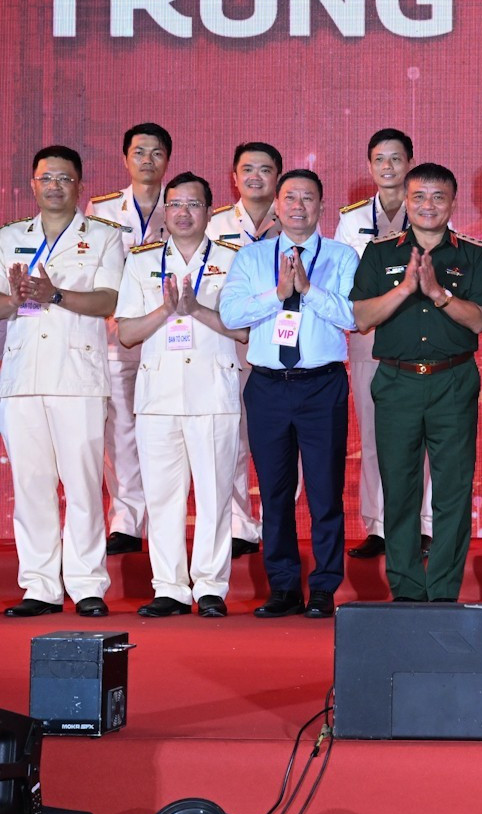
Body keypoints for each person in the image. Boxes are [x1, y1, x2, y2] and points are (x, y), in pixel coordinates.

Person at [351, 164, 482, 603]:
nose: (427, 205)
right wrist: (405, 288)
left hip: (453, 379)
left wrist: (437, 293)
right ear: (405, 201)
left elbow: (480, 321)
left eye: (438, 197)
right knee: (399, 488)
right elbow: (361, 320)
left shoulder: (474, 254)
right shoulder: (379, 253)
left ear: (452, 203)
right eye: (419, 196)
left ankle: (444, 590)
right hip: (396, 381)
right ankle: (408, 589)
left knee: (452, 490)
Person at [218, 169, 358, 618]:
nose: (298, 206)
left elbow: (353, 315)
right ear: (276, 205)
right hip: (267, 387)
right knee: (275, 492)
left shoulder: (342, 256)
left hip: (322, 385)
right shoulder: (252, 258)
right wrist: (279, 294)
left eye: (308, 198)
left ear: (321, 206)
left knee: (325, 491)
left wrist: (309, 291)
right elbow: (231, 311)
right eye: (290, 198)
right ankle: (282, 587)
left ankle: (323, 587)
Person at [0, 146, 127, 617]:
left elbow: (109, 301)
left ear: (80, 184)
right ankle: (39, 587)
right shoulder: (10, 236)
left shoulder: (104, 237)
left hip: (79, 377)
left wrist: (53, 293)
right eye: (46, 177)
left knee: (83, 483)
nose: (54, 185)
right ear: (33, 184)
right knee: (31, 485)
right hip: (22, 377)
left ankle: (87, 584)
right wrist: (16, 299)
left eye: (64, 178)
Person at [115, 172, 248, 617]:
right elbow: (128, 334)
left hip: (214, 390)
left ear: (210, 211)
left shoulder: (235, 259)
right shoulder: (140, 261)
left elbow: (246, 330)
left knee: (215, 495)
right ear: (165, 212)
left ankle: (211, 586)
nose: (183, 213)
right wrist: (166, 310)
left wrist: (196, 311)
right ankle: (169, 588)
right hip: (159, 396)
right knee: (162, 497)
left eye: (193, 204)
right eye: (174, 205)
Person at [335, 128, 433, 560]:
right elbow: (341, 278)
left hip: (421, 334)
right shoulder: (350, 218)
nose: (388, 167)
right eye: (379, 159)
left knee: (424, 433)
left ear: (410, 162)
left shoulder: (429, 209)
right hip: (370, 335)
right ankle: (378, 525)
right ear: (370, 165)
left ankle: (425, 524)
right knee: (374, 432)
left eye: (396, 158)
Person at [92, 122, 170, 556]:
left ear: (166, 160)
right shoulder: (102, 210)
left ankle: (161, 518)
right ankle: (126, 521)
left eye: (156, 153)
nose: (147, 160)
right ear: (125, 158)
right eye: (139, 152)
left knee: (162, 431)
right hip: (116, 333)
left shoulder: (181, 205)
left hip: (167, 337)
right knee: (120, 430)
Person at [209, 141, 284, 556]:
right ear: (234, 177)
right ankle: (239, 526)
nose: (256, 177)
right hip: (226, 348)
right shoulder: (214, 225)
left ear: (278, 177)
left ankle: (278, 522)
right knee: (231, 441)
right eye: (247, 169)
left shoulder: (295, 221)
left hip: (281, 351)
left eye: (266, 169)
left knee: (281, 446)